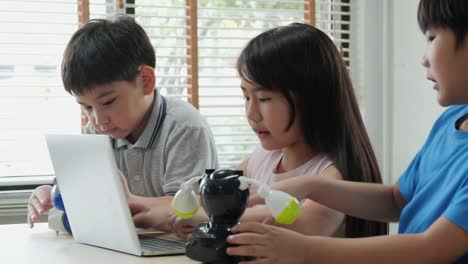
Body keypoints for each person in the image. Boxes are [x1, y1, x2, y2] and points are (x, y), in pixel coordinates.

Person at [226, 0, 468, 263]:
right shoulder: (450, 121)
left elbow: (432, 249)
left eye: (432, 37)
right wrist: (310, 185)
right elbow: (396, 201)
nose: (423, 58)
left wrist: (303, 249)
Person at [138, 21, 387, 239]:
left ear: (313, 99)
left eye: (264, 99)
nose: (251, 113)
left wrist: (205, 220)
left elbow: (300, 225)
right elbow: (208, 197)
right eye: (246, 97)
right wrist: (137, 206)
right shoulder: (263, 159)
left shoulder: (331, 176)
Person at [26, 15, 218, 232]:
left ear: (145, 81)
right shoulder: (97, 133)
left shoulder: (184, 127)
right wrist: (52, 193)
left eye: (108, 102)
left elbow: (183, 209)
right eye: (87, 107)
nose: (98, 120)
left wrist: (124, 205)